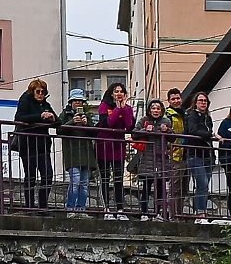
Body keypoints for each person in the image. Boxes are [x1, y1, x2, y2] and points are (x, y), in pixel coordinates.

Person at [12, 78, 57, 211]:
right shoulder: (25, 101)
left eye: (43, 92)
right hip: (28, 144)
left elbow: (57, 120)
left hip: (43, 145)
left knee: (48, 175)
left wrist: (52, 119)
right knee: (30, 176)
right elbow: (19, 117)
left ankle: (43, 206)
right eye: (38, 91)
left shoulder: (46, 104)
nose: (41, 94)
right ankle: (30, 207)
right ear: (32, 91)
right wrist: (40, 116)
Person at [95, 81, 135, 213]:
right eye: (116, 91)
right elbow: (108, 124)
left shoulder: (128, 108)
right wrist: (118, 109)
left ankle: (120, 209)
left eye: (121, 91)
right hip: (104, 147)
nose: (119, 94)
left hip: (119, 148)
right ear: (111, 94)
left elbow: (129, 127)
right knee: (105, 178)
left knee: (119, 179)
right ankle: (106, 208)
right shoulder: (104, 106)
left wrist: (124, 109)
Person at [56, 89, 97, 211]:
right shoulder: (65, 114)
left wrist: (87, 124)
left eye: (80, 101)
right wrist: (72, 121)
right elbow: (59, 130)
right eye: (76, 101)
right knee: (75, 182)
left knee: (84, 184)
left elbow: (94, 134)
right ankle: (70, 207)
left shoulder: (87, 116)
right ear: (71, 102)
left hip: (87, 154)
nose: (78, 103)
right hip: (72, 154)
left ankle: (81, 208)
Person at [135, 98, 173, 217]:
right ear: (149, 110)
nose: (155, 110)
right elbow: (134, 134)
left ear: (161, 110)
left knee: (161, 188)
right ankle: (144, 213)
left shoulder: (166, 121)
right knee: (146, 187)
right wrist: (145, 130)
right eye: (153, 108)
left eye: (158, 108)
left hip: (161, 159)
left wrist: (167, 131)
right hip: (147, 157)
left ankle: (159, 213)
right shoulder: (144, 120)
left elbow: (173, 138)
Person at [182, 91, 216, 215]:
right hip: (195, 154)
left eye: (205, 101)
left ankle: (202, 211)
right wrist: (210, 135)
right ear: (195, 103)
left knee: (204, 186)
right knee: (202, 183)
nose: (203, 103)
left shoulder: (208, 118)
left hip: (208, 155)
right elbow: (193, 131)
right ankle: (200, 212)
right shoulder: (192, 116)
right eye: (200, 100)